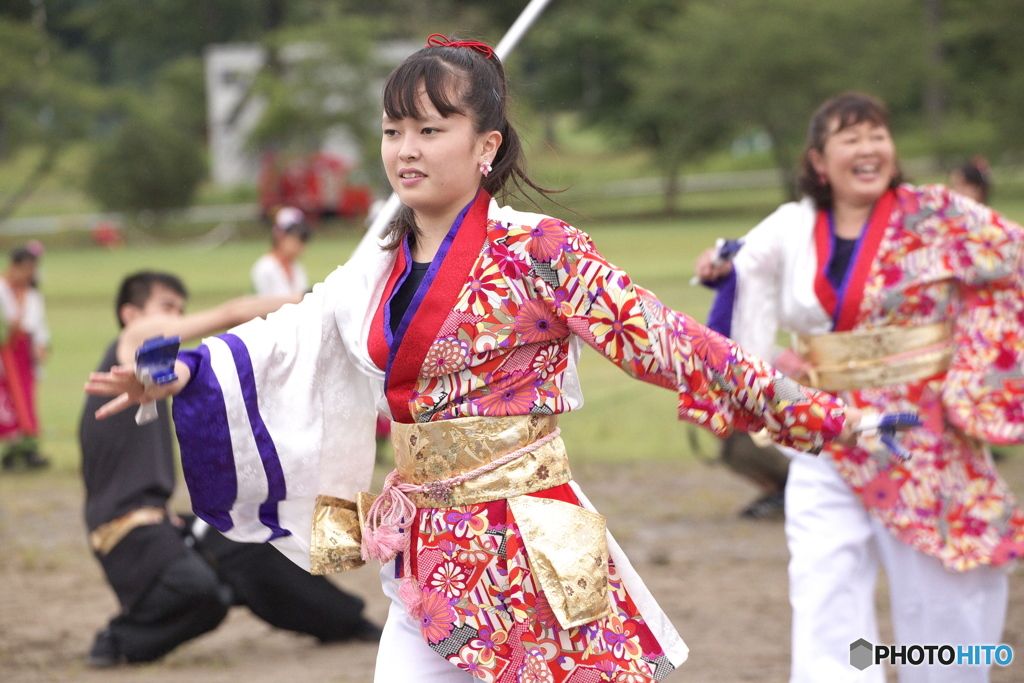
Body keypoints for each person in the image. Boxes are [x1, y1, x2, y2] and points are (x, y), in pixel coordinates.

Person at [86, 37, 868, 682]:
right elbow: (296, 333)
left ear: (486, 146)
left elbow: (665, 340)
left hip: (534, 539)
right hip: (428, 548)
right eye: (393, 131)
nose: (405, 150)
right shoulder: (379, 264)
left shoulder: (541, 250)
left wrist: (817, 413)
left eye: (430, 130)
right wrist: (181, 372)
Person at [696, 92, 1024, 683]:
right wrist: (720, 266)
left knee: (938, 595)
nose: (868, 148)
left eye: (877, 135)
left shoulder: (938, 215)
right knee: (824, 590)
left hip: (921, 436)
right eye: (851, 139)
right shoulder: (794, 223)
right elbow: (742, 260)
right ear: (820, 161)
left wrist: (975, 370)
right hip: (824, 432)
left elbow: (1012, 262)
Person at [80, 271, 380, 667]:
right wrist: (316, 301)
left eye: (179, 310)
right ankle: (117, 641)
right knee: (202, 594)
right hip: (126, 531)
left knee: (253, 544)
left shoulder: (153, 370)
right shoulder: (134, 339)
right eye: (167, 307)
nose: (176, 318)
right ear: (130, 313)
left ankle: (343, 621)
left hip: (162, 523)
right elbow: (231, 314)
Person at [0, 241, 50, 470]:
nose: (30, 274)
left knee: (27, 399)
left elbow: (39, 326)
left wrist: (41, 345)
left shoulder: (31, 295)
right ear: (15, 266)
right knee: (7, 401)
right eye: (27, 268)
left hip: (23, 354)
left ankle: (28, 449)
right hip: (5, 353)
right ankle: (12, 450)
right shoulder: (2, 288)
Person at [251, 205, 311, 296]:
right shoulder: (265, 268)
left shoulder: (297, 268)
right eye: (297, 238)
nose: (301, 245)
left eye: (303, 240)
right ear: (279, 235)